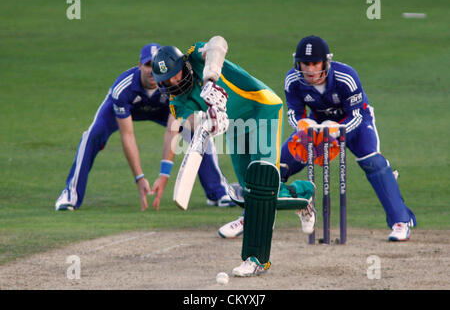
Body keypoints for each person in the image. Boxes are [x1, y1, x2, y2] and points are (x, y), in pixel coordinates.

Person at [151, 36, 314, 277]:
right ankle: (302, 194)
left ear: (184, 65)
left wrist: (210, 80)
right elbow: (193, 122)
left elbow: (218, 43)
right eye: (168, 81)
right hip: (234, 126)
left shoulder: (196, 56)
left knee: (261, 187)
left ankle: (257, 260)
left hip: (262, 109)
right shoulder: (178, 103)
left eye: (176, 74)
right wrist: (211, 122)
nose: (175, 82)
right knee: (253, 191)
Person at [55, 43, 233, 211]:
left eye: (154, 67)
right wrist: (139, 178)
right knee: (92, 135)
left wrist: (164, 175)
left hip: (163, 110)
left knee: (198, 130)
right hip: (124, 109)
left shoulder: (171, 85)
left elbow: (172, 130)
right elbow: (128, 135)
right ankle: (71, 194)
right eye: (147, 65)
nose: (151, 72)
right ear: (139, 65)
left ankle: (218, 192)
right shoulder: (123, 89)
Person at [280, 35, 416, 241]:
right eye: (304, 64)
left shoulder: (346, 76)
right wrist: (303, 125)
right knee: (280, 164)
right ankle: (252, 218)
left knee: (373, 163)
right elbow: (294, 113)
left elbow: (357, 115)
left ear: (325, 62)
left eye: (315, 63)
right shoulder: (293, 80)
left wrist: (337, 130)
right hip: (317, 124)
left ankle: (401, 221)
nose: (309, 70)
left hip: (354, 123)